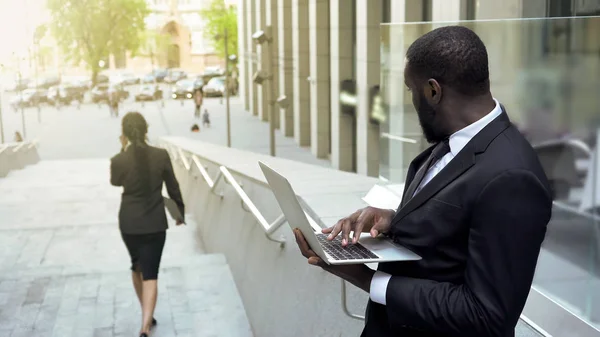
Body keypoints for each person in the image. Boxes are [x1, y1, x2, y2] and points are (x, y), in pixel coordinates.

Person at [293, 26, 553, 336]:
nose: (412, 100)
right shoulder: (454, 144)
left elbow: (487, 315)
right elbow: (454, 225)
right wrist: (394, 220)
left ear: (433, 91)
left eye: (410, 89)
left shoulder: (513, 177)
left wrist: (363, 277)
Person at [110, 112, 185, 337]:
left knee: (137, 267)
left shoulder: (119, 159)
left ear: (124, 133)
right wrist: (179, 213)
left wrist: (123, 149)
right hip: (155, 223)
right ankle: (145, 325)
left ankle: (147, 317)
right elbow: (173, 186)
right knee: (151, 273)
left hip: (129, 224)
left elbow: (115, 181)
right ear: (146, 130)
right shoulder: (161, 155)